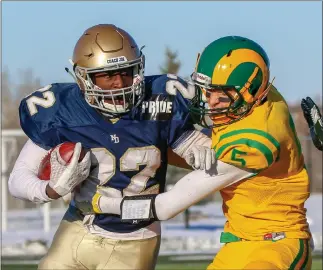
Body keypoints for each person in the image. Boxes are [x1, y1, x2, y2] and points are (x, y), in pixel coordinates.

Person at [91, 36, 312, 269]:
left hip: (276, 245)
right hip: (236, 244)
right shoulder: (262, 98)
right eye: (208, 92)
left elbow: (167, 206)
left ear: (252, 93)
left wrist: (104, 204)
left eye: (222, 96)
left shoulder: (253, 144)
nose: (211, 103)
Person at [8, 24, 216, 270]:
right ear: (83, 78)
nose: (120, 82)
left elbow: (195, 146)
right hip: (78, 226)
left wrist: (205, 147)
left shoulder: (161, 101)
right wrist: (53, 190)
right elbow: (17, 180)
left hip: (136, 237)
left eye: (127, 71)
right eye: (108, 75)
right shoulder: (61, 111)